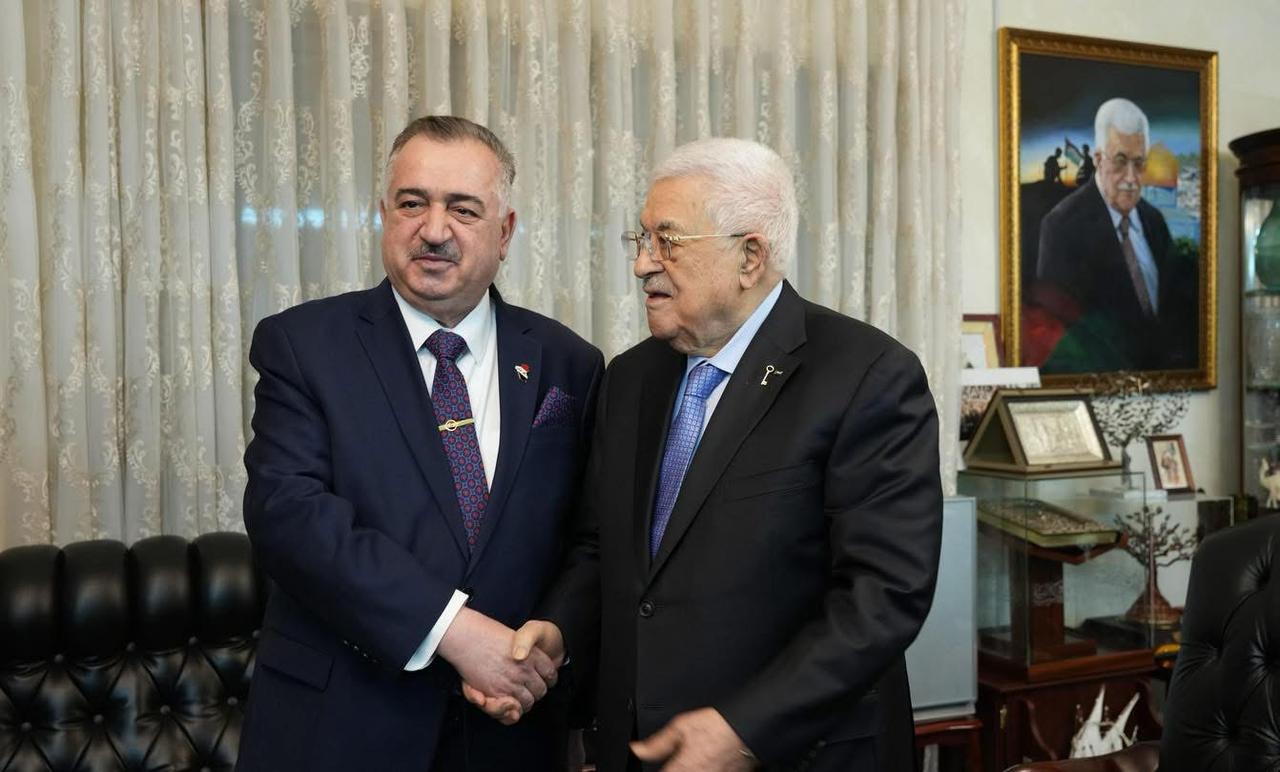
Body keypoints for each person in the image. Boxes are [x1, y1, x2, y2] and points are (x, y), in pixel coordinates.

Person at [471, 138, 943, 771]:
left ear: (750, 256)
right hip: (641, 748)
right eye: (641, 239)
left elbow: (883, 595)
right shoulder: (631, 378)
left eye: (667, 241)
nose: (642, 264)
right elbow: (601, 547)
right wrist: (558, 631)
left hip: (796, 754)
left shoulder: (866, 375)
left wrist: (748, 728)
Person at [238, 116, 604, 771]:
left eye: (463, 209)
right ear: (384, 214)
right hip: (341, 728)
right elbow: (289, 515)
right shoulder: (303, 345)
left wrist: (554, 633)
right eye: (413, 204)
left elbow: (590, 535)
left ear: (505, 232)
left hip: (511, 731)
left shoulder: (568, 363)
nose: (434, 230)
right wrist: (455, 631)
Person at [1035, 97, 1197, 372]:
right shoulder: (1062, 227)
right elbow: (1057, 334)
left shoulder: (1154, 222)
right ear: (1098, 160)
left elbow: (1175, 311)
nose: (1132, 178)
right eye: (1121, 161)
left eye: (1139, 163)